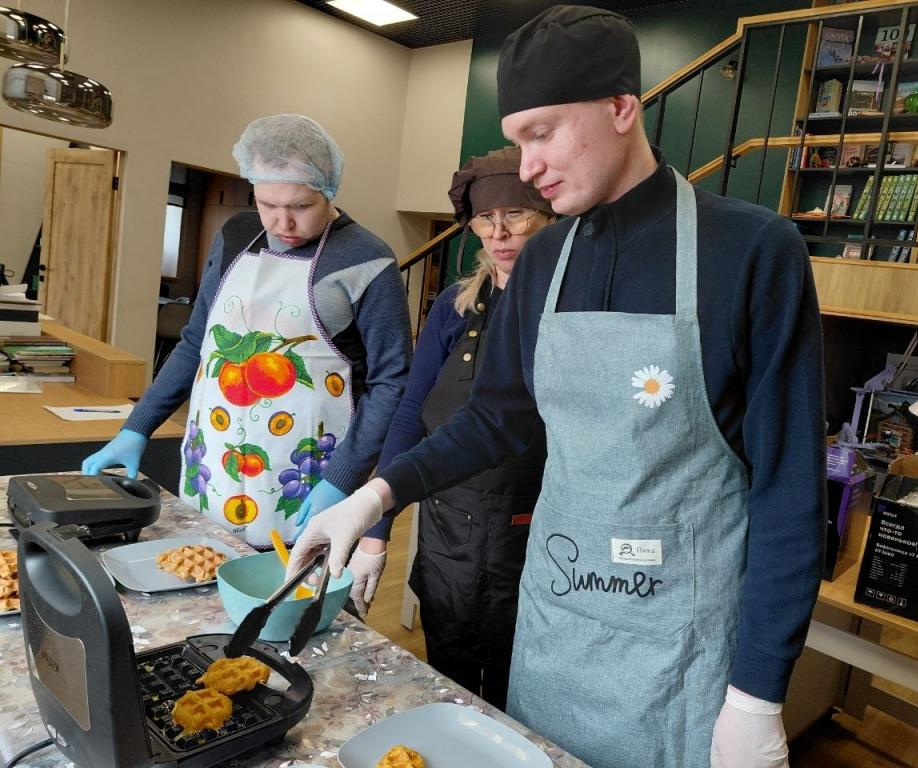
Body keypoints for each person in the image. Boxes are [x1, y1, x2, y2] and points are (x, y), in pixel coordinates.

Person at [289, 7, 825, 768]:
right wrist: (376, 497)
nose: (529, 166)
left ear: (621, 107)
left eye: (542, 134)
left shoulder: (751, 251)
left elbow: (789, 490)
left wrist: (757, 696)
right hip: (556, 617)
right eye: (518, 141)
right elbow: (497, 418)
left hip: (679, 643)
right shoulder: (543, 263)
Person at [83, 114, 411, 549]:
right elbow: (197, 343)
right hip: (214, 463)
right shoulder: (236, 235)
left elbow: (392, 381)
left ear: (329, 190)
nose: (282, 223)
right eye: (267, 204)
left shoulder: (367, 259)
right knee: (203, 570)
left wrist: (343, 477)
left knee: (291, 587)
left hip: (309, 472)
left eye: (300, 207)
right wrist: (137, 427)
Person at [348, 146, 554, 709]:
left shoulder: (568, 311)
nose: (499, 233)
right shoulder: (453, 308)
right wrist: (376, 528)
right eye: (485, 218)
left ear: (549, 216)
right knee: (449, 677)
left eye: (516, 214)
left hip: (531, 530)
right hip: (446, 530)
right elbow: (410, 414)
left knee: (518, 692)